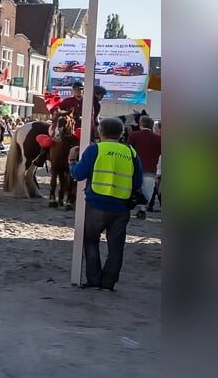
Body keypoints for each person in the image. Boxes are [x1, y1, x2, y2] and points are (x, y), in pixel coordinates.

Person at [69, 116, 144, 291]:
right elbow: (137, 181)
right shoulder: (131, 152)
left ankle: (94, 279)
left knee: (91, 241)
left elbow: (78, 174)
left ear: (100, 132)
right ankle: (109, 282)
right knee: (116, 247)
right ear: (121, 133)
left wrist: (72, 161)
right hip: (121, 207)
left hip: (96, 204)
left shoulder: (95, 149)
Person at [126, 115, 161, 218]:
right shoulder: (159, 139)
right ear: (152, 127)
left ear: (140, 124)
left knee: (132, 188)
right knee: (147, 190)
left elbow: (128, 150)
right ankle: (142, 209)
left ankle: (129, 206)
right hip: (150, 169)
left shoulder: (134, 135)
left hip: (134, 168)